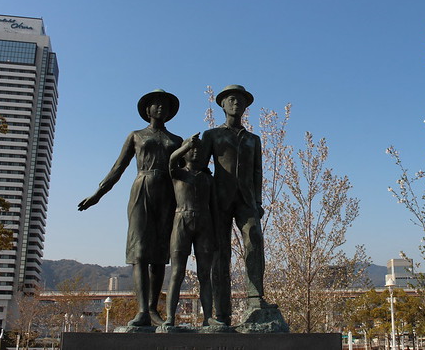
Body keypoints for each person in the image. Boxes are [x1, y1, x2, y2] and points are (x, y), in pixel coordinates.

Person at [78, 89, 183, 327]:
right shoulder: (136, 136)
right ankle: (142, 310)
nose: (160, 107)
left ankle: (153, 309)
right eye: (155, 104)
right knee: (140, 252)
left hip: (168, 194)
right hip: (142, 189)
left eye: (164, 105)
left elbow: (189, 168)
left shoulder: (177, 140)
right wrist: (98, 194)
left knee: (160, 254)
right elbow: (118, 167)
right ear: (147, 110)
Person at [200, 84, 276, 326]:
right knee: (220, 253)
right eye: (231, 99)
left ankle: (255, 297)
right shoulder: (211, 135)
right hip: (219, 199)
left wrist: (258, 201)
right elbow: (200, 167)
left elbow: (257, 172)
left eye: (240, 100)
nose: (236, 103)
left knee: (254, 240)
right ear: (222, 105)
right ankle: (222, 312)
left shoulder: (253, 139)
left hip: (247, 199)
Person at [163, 134, 216, 326]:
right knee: (177, 272)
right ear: (184, 153)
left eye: (198, 150)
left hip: (204, 223)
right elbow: (171, 160)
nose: (195, 152)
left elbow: (215, 207)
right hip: (181, 221)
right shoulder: (178, 174)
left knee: (205, 274)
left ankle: (208, 317)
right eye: (191, 149)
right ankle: (170, 318)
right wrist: (186, 145)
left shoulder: (208, 179)